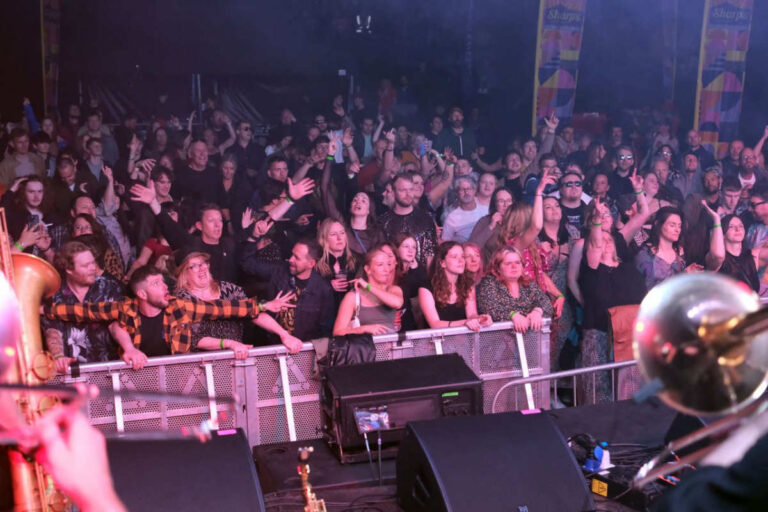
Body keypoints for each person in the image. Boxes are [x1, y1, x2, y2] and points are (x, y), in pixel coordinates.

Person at [43, 265, 294, 357]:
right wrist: (45, 309)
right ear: (141, 294)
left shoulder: (178, 306)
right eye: (156, 284)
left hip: (178, 381)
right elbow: (84, 311)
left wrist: (261, 306)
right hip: (138, 384)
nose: (165, 287)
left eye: (163, 282)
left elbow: (223, 308)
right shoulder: (124, 309)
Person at [579, 176, 649, 404]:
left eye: (610, 240)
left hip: (626, 332)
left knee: (627, 387)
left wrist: (639, 190)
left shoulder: (627, 269)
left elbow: (643, 215)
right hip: (599, 328)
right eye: (602, 240)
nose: (606, 242)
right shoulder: (592, 266)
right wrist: (598, 220)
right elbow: (596, 243)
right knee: (598, 388)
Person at [174, 250, 303, 356]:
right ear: (184, 273)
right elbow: (195, 339)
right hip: (200, 365)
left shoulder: (228, 289)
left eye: (203, 263)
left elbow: (253, 314)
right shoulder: (182, 299)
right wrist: (229, 344)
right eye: (194, 266)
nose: (201, 269)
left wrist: (284, 334)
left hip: (236, 358)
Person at [42, 241, 125, 371]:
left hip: (110, 367)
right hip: (71, 370)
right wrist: (58, 356)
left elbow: (116, 324)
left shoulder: (109, 287)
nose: (93, 268)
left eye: (93, 262)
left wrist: (130, 349)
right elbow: (52, 330)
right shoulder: (53, 293)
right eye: (86, 265)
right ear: (68, 269)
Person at [240, 238, 335, 342]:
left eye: (297, 258)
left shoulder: (323, 289)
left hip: (302, 350)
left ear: (311, 264)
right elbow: (247, 264)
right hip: (270, 345)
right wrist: (253, 236)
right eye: (292, 254)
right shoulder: (278, 271)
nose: (290, 259)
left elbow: (325, 331)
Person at [476, 246, 553, 333]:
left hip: (529, 341)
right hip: (499, 342)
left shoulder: (528, 283)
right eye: (508, 263)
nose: (514, 266)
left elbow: (545, 301)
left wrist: (537, 311)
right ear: (497, 268)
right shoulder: (489, 282)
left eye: (517, 262)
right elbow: (490, 307)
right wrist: (513, 315)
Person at [418, 242, 491, 331]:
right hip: (436, 341)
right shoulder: (425, 288)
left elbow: (471, 314)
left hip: (461, 340)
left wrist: (480, 319)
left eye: (462, 256)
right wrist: (464, 322)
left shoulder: (468, 284)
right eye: (454, 257)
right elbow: (435, 324)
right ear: (442, 263)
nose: (461, 261)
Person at [333, 247, 404, 336]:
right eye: (380, 265)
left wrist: (368, 286)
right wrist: (363, 329)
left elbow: (397, 303)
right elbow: (338, 332)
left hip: (391, 348)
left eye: (388, 264)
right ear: (368, 269)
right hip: (366, 348)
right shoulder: (353, 297)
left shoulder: (393, 289)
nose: (386, 269)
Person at [378, 173, 438, 267]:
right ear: (393, 192)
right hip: (392, 276)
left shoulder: (426, 219)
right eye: (403, 190)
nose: (408, 194)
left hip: (421, 278)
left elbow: (431, 254)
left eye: (411, 189)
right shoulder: (383, 221)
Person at [315, 218, 359, 308]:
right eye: (333, 234)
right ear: (324, 238)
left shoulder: (356, 261)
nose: (339, 238)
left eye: (342, 233)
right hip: (324, 315)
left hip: (351, 314)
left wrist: (361, 287)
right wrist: (328, 286)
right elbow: (306, 292)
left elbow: (370, 287)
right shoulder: (315, 263)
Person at [468, 187, 514, 259]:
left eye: (509, 201)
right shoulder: (485, 221)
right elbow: (471, 248)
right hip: (490, 267)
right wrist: (491, 226)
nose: (506, 205)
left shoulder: (519, 220)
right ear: (495, 204)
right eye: (501, 201)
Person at [396, 233, 429, 330]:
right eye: (406, 246)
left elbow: (421, 290)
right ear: (397, 249)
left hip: (414, 319)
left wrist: (415, 270)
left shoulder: (419, 269)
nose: (410, 250)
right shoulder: (390, 269)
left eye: (414, 247)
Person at [442, 176, 486, 243]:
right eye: (462, 189)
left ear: (474, 190)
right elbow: (445, 242)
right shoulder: (451, 218)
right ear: (457, 193)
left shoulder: (485, 211)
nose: (466, 192)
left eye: (469, 189)